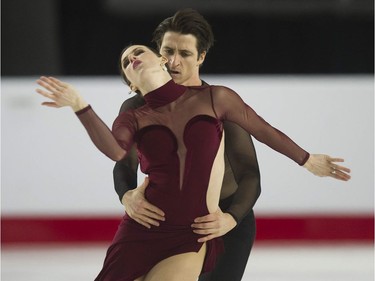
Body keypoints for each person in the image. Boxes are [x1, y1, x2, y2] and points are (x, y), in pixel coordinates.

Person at [35, 44, 351, 281]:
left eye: (139, 51)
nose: (132, 58)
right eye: (126, 63)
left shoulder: (216, 97)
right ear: (131, 83)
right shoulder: (132, 115)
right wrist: (80, 106)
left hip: (190, 234)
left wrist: (306, 159)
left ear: (161, 59)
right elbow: (117, 153)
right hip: (144, 229)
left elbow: (263, 129)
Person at [114, 9, 261, 281]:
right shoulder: (135, 107)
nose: (173, 61)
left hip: (223, 220)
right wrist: (127, 196)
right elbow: (124, 162)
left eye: (185, 54)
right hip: (165, 221)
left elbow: (250, 174)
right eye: (168, 51)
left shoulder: (219, 102)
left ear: (201, 57)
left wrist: (230, 219)